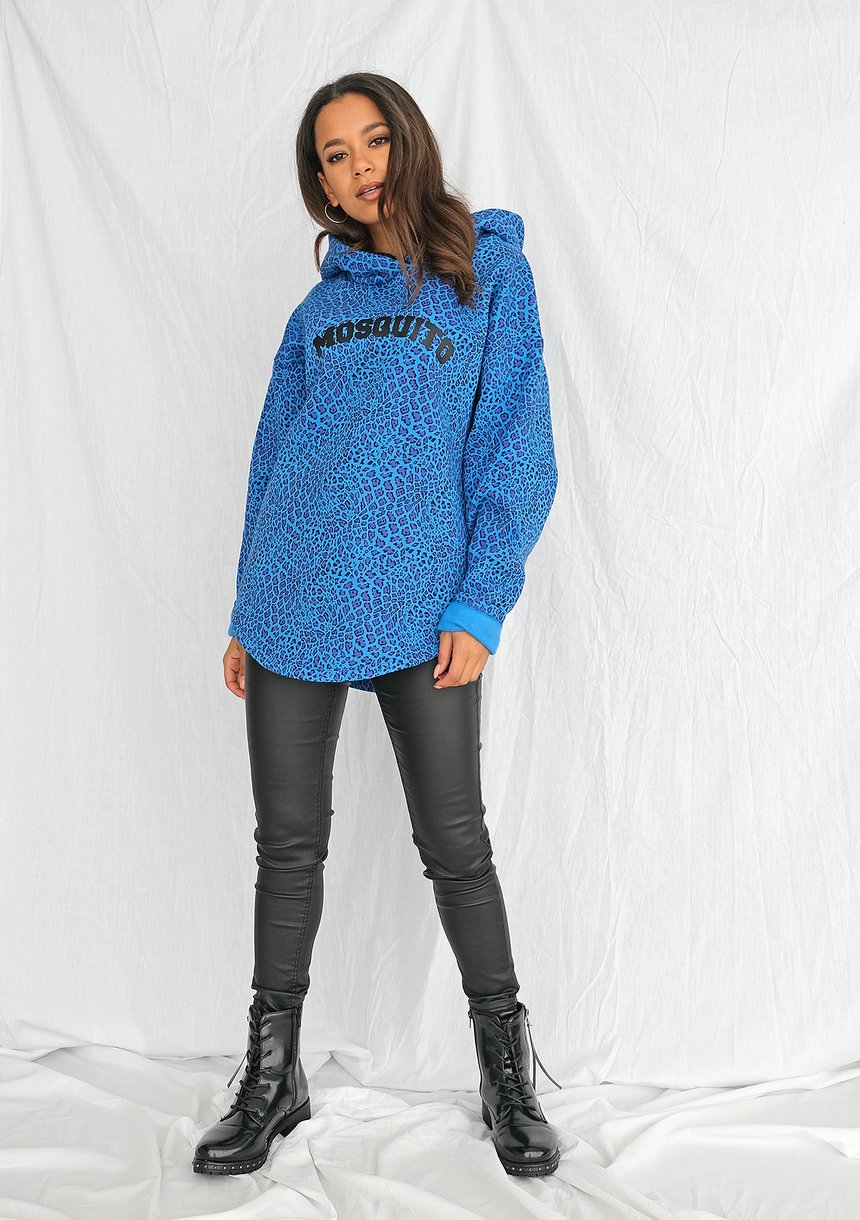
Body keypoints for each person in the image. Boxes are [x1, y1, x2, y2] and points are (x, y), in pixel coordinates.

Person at [192, 71, 562, 1180]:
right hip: (293, 599)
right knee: (287, 845)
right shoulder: (315, 315)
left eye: (372, 141)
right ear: (320, 181)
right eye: (333, 154)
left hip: (424, 604)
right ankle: (273, 1076)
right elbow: (273, 464)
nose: (358, 166)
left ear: (408, 141)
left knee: (455, 843)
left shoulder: (487, 272)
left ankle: (505, 1069)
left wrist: (480, 598)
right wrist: (246, 610)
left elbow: (516, 443)